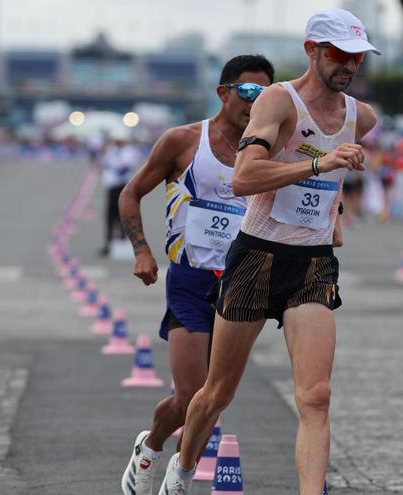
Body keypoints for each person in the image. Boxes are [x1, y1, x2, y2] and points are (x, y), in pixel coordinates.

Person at [156, 9, 378, 495]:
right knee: (217, 393)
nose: (350, 65)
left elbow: (330, 179)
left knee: (316, 397)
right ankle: (185, 467)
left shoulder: (362, 117)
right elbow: (244, 178)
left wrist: (334, 205)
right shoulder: (279, 101)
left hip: (313, 264)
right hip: (257, 255)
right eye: (339, 54)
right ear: (312, 51)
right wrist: (320, 164)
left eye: (357, 56)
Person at [117, 55, 275, 495]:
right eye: (247, 92)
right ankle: (149, 449)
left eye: (265, 94)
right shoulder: (184, 141)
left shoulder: (271, 150)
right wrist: (142, 251)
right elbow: (130, 195)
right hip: (190, 278)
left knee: (216, 396)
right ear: (223, 92)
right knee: (191, 395)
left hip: (241, 283)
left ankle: (180, 478)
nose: (255, 102)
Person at [99, 134, 138, 257]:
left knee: (124, 214)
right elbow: (103, 163)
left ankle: (123, 241)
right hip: (112, 186)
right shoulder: (111, 151)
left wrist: (112, 163)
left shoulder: (129, 152)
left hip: (123, 186)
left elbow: (123, 168)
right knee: (110, 216)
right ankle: (109, 243)